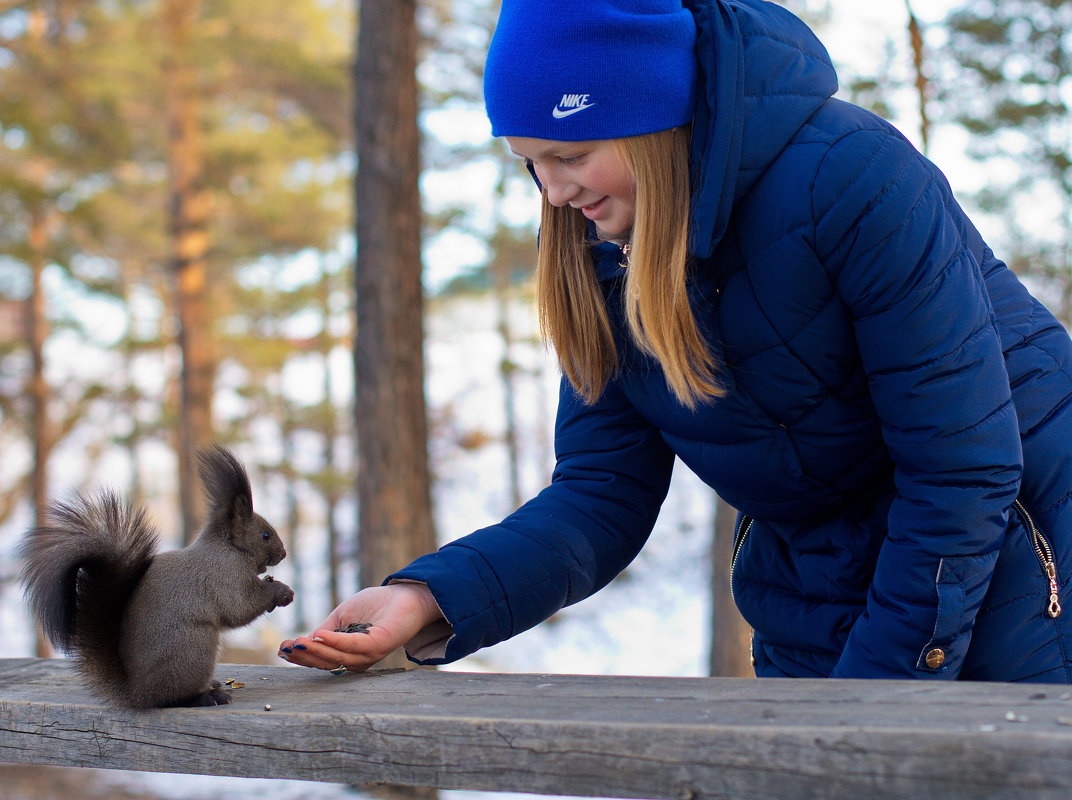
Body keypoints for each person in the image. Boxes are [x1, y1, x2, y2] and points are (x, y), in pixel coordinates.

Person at [280, 0, 1072, 681]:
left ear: (653, 113)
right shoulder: (602, 258)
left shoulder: (855, 179)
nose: (554, 194)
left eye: (571, 154)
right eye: (530, 164)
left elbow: (961, 469)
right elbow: (600, 495)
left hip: (1020, 556)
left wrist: (871, 704)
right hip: (817, 584)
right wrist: (429, 597)